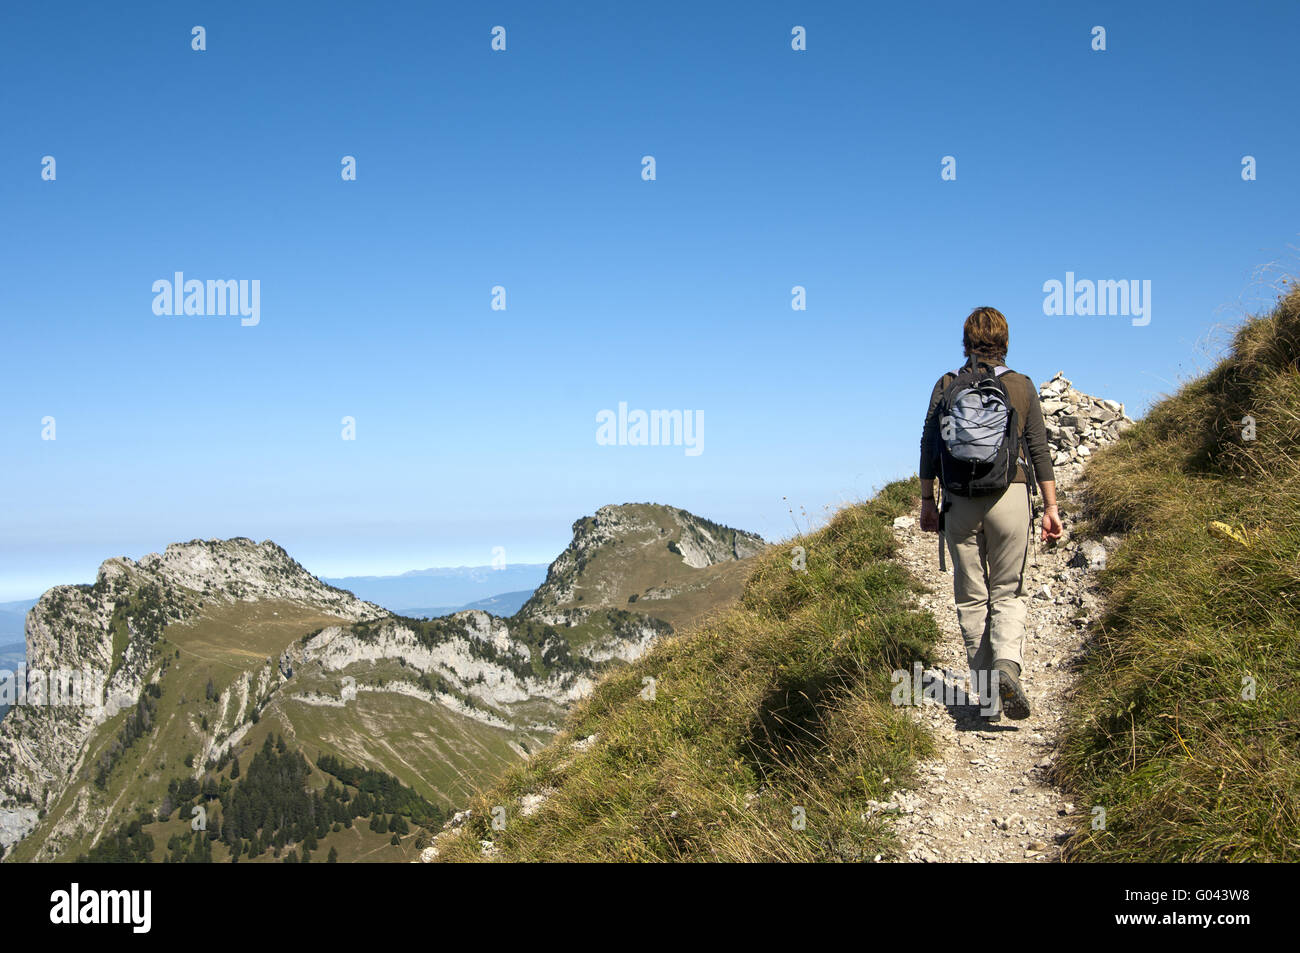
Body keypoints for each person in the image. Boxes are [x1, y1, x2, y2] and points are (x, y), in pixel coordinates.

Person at [918, 307, 1063, 720]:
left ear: (965, 343)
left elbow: (929, 445)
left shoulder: (947, 384)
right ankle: (1007, 668)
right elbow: (1039, 451)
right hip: (1010, 495)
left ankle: (987, 695)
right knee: (1008, 590)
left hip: (960, 501)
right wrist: (1051, 508)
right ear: (1005, 343)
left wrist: (928, 500)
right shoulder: (1021, 386)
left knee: (971, 597)